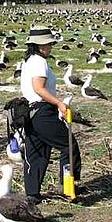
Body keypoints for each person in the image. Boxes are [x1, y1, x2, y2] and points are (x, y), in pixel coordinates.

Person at [20, 26, 81, 202]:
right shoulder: (39, 62)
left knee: (37, 152)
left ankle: (32, 194)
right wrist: (59, 103)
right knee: (69, 146)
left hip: (29, 113)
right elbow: (38, 88)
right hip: (42, 112)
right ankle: (68, 186)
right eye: (48, 44)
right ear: (40, 46)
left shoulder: (29, 60)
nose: (50, 47)